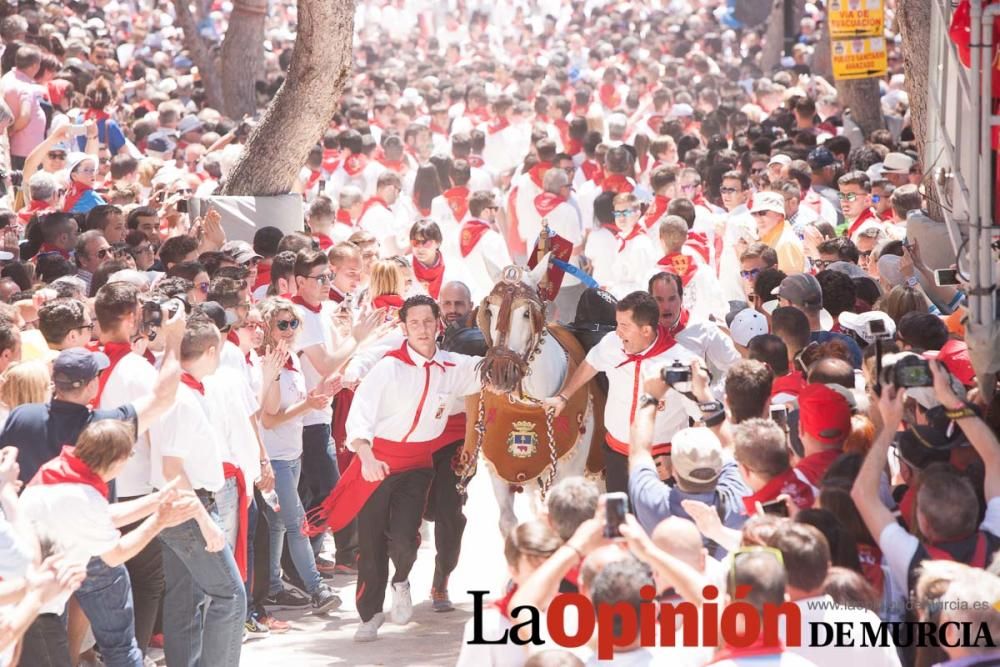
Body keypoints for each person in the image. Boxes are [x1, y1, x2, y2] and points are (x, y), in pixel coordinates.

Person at [340, 295, 481, 641]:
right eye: (414, 323)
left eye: (428, 322)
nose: (422, 329)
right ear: (403, 328)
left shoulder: (453, 366)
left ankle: (401, 580)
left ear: (439, 325)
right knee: (371, 544)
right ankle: (370, 615)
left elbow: (491, 374)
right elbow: (358, 420)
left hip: (418, 465)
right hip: (376, 464)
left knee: (404, 540)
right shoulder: (387, 368)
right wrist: (367, 456)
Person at [18, 420, 201, 667]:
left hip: (30, 601)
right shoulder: (81, 496)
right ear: (116, 461)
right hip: (35, 609)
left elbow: (101, 515)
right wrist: (159, 521)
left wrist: (157, 500)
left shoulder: (60, 472)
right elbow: (115, 555)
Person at [147, 314, 245, 666]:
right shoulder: (183, 399)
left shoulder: (177, 389)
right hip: (190, 506)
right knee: (230, 597)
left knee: (184, 598)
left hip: (181, 504)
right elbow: (173, 469)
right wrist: (205, 520)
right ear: (212, 350)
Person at [545, 291, 700, 494]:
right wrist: (563, 396)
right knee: (619, 521)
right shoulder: (612, 343)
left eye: (624, 326)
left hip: (660, 463)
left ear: (646, 330)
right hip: (616, 457)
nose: (617, 332)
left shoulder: (682, 363)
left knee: (654, 524)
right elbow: (591, 363)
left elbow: (701, 418)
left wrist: (679, 458)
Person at [256, 297, 342, 612]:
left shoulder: (290, 359)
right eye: (282, 324)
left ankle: (274, 587)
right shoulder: (272, 364)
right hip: (276, 457)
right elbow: (270, 418)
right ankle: (317, 590)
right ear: (268, 327)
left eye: (294, 323)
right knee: (296, 523)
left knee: (280, 524)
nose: (290, 330)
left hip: (292, 454)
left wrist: (314, 399)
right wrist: (310, 404)